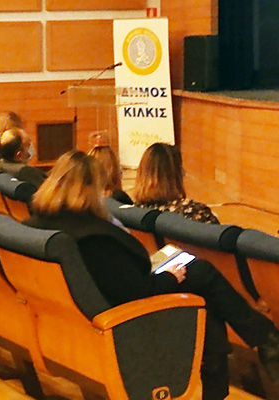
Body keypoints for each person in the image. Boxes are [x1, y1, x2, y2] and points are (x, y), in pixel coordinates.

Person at [23, 150, 279, 400]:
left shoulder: (36, 227)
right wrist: (170, 278)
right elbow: (135, 292)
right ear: (89, 190)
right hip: (126, 323)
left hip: (67, 321)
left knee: (203, 295)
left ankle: (259, 346)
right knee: (201, 275)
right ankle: (264, 342)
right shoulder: (94, 238)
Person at [134, 142, 219, 223]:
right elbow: (219, 232)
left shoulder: (135, 214)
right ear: (176, 175)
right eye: (181, 168)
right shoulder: (195, 212)